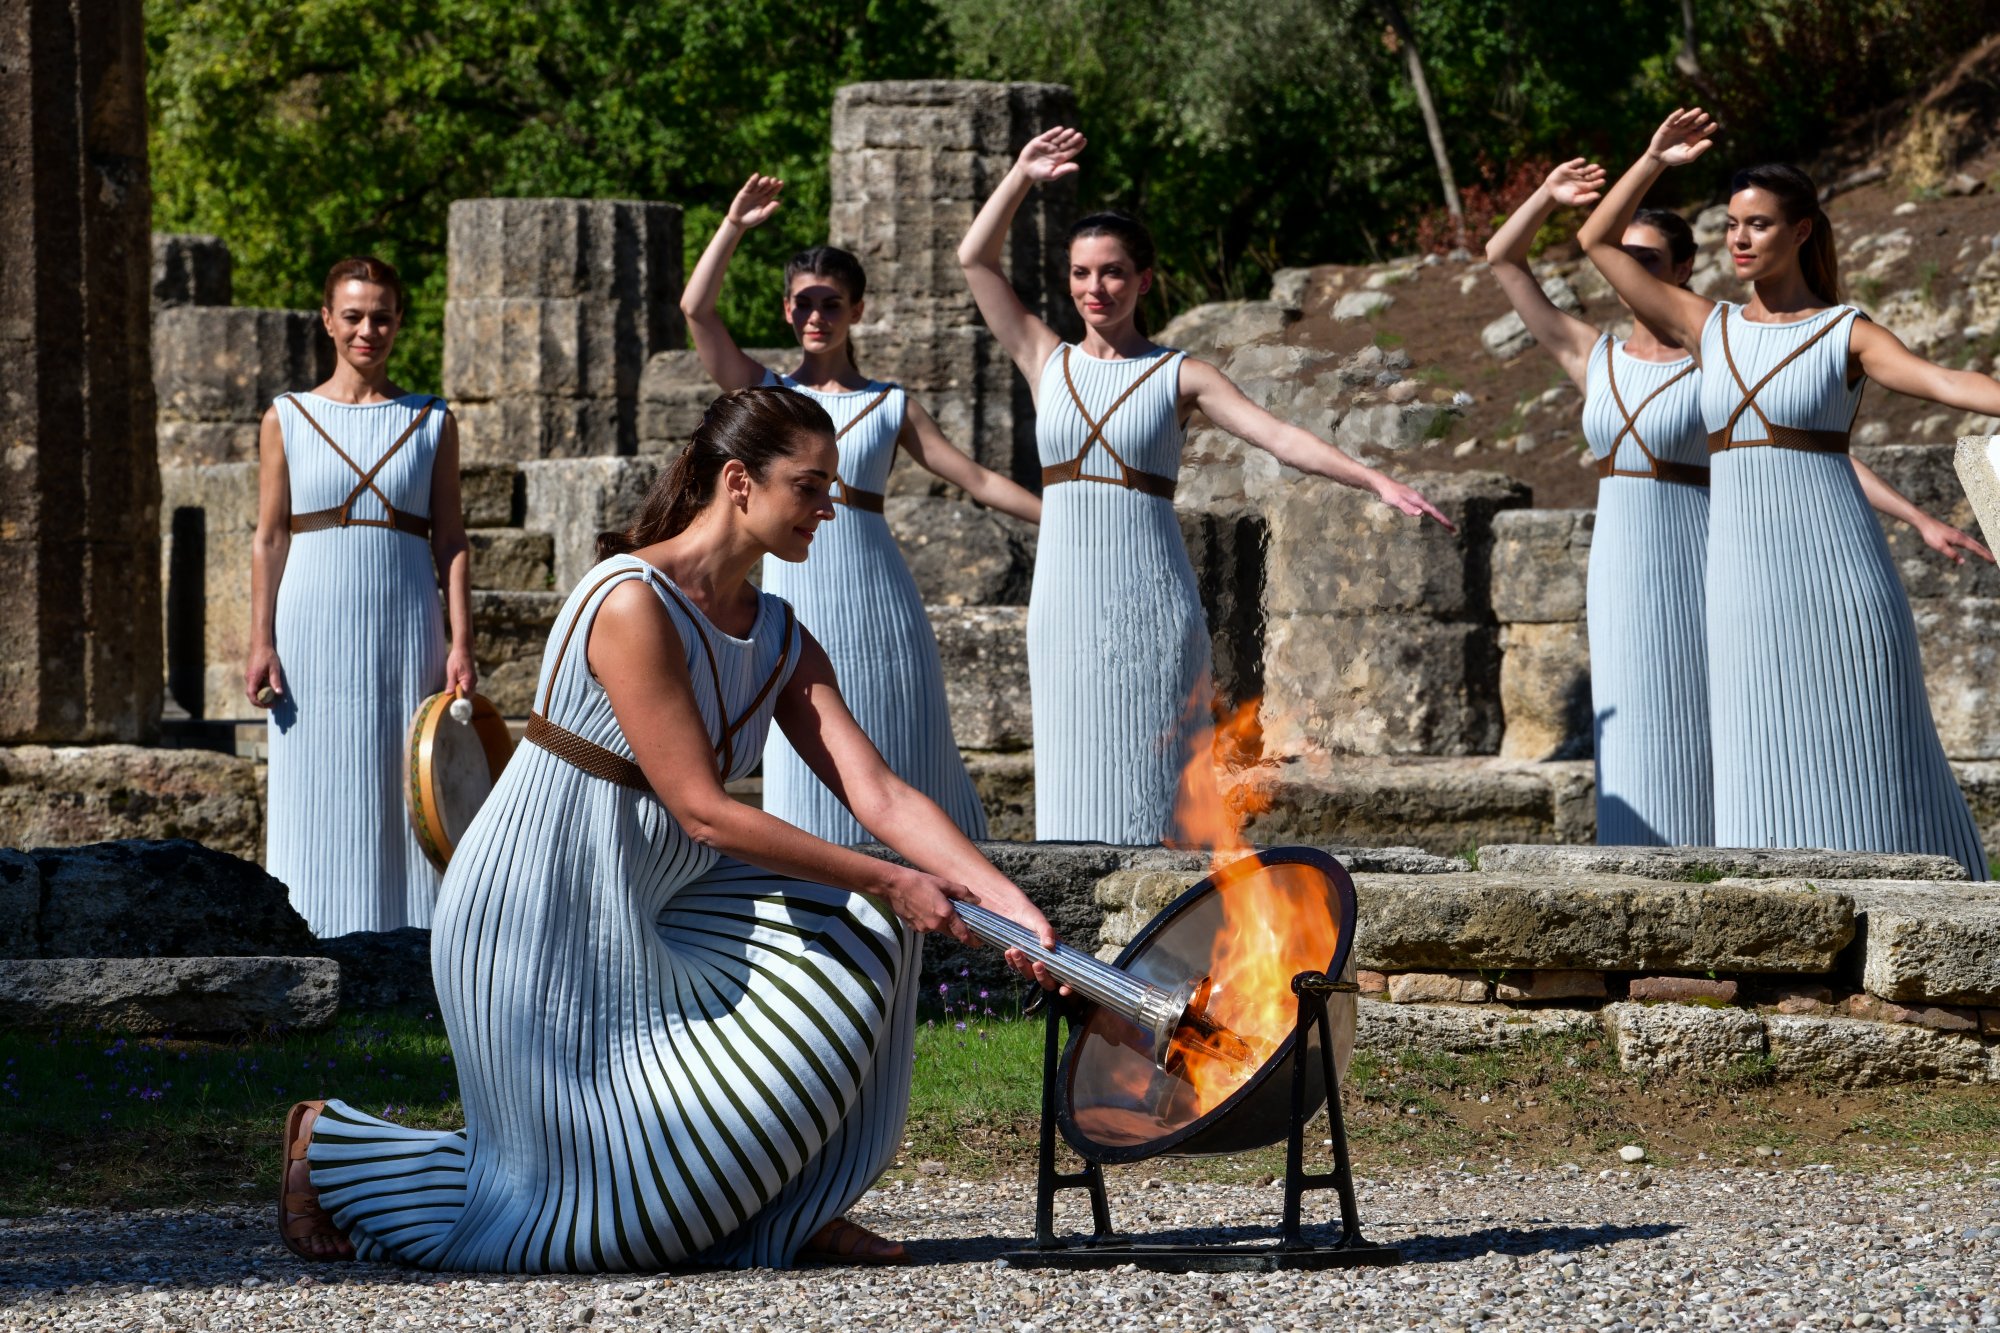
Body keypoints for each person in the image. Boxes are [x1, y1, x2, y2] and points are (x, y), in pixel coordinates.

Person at [277, 386, 1061, 1271]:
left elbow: (877, 791)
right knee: (583, 1224)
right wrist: (889, 876)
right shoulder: (630, 600)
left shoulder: (779, 634)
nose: (828, 507)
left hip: (661, 902)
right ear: (739, 482)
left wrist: (1007, 905)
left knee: (865, 931)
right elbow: (702, 809)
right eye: (809, 486)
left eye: (830, 486)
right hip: (540, 908)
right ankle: (335, 1144)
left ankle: (789, 1212)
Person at [958, 127, 1454, 845]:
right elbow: (974, 259)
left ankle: (1167, 942)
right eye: (1081, 273)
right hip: (1064, 609)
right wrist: (1020, 176)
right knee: (1070, 788)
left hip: (1150, 605)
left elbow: (1277, 435)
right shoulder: (1045, 360)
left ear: (1145, 280)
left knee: (1157, 793)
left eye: (1113, 272)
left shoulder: (1179, 375)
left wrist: (1372, 476)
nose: (1095, 288)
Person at [1579, 108, 1994, 877]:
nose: (1740, 238)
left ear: (1801, 232)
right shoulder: (1710, 327)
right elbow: (1596, 243)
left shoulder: (1847, 332)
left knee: (1873, 753)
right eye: (1732, 224)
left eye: (1759, 224)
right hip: (1740, 585)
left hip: (1838, 573)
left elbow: (1945, 381)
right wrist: (1652, 160)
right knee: (1757, 756)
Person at [678, 175, 1043, 844]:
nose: (818, 317)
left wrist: (1062, 517)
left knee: (901, 741)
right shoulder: (767, 396)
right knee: (805, 752)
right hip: (796, 595)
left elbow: (974, 476)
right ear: (787, 311)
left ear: (858, 311)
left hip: (881, 603)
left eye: (833, 304)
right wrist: (732, 226)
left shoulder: (890, 402)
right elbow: (697, 311)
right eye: (805, 304)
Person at [1486, 159, 1715, 847]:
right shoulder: (1593, 355)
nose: (1629, 269)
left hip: (1701, 548)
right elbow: (1504, 257)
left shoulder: (1720, 351)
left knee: (1702, 712)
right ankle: (1639, 860)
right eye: (1620, 255)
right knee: (1633, 709)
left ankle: (1719, 860)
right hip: (1619, 559)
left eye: (1645, 258)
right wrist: (1549, 197)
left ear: (1682, 269)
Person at [246, 256, 476, 936]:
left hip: (406, 616)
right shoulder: (286, 417)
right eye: (352, 316)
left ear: (400, 322)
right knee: (316, 780)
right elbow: (268, 539)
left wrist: (462, 641)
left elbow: (453, 541)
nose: (367, 330)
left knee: (406, 781)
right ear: (327, 320)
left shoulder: (432, 420)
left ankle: (415, 949)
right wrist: (261, 640)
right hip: (311, 619)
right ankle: (307, 936)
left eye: (381, 317)